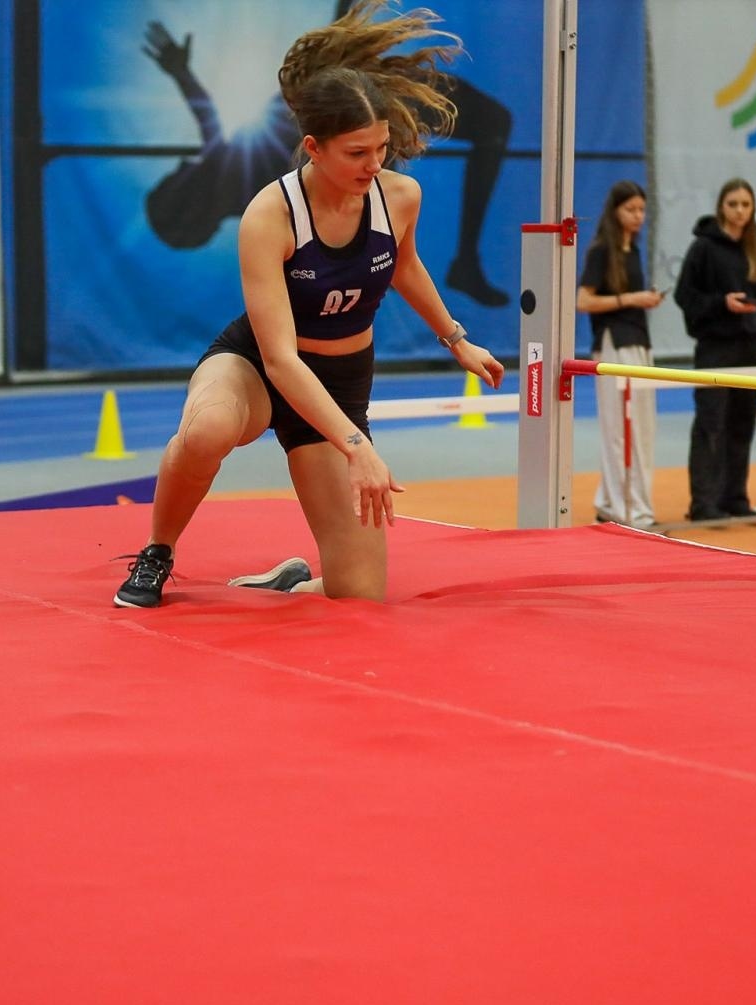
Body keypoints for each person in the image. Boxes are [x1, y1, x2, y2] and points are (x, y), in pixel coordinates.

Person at [114, 0, 502, 609]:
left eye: (380, 148)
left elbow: (403, 264)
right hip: (264, 369)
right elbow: (281, 358)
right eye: (357, 153)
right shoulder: (269, 216)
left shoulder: (399, 195)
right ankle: (158, 551)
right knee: (210, 429)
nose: (373, 164)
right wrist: (357, 446)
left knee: (359, 593)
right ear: (313, 148)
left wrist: (457, 339)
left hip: (343, 381)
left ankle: (289, 579)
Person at [143, 0, 513, 306]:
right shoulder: (254, 198)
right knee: (493, 123)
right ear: (189, 202)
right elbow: (208, 120)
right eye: (174, 179)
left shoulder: (248, 199)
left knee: (492, 124)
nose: (178, 166)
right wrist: (180, 72)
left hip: (335, 97)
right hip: (344, 106)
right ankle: (465, 259)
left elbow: (206, 120)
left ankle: (465, 259)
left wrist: (181, 73)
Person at [673, 178, 756, 522]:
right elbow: (684, 295)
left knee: (742, 425)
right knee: (710, 424)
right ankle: (703, 502)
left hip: (751, 351)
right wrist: (721, 304)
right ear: (721, 206)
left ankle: (735, 495)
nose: (739, 210)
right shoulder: (702, 249)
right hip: (715, 349)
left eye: (746, 205)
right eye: (733, 203)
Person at [576, 180, 662, 528]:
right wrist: (631, 299)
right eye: (631, 209)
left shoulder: (634, 252)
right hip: (614, 345)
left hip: (640, 342)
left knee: (642, 430)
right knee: (618, 430)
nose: (638, 216)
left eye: (642, 209)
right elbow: (583, 301)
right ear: (615, 211)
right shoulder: (601, 251)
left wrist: (646, 300)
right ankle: (626, 508)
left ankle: (613, 501)